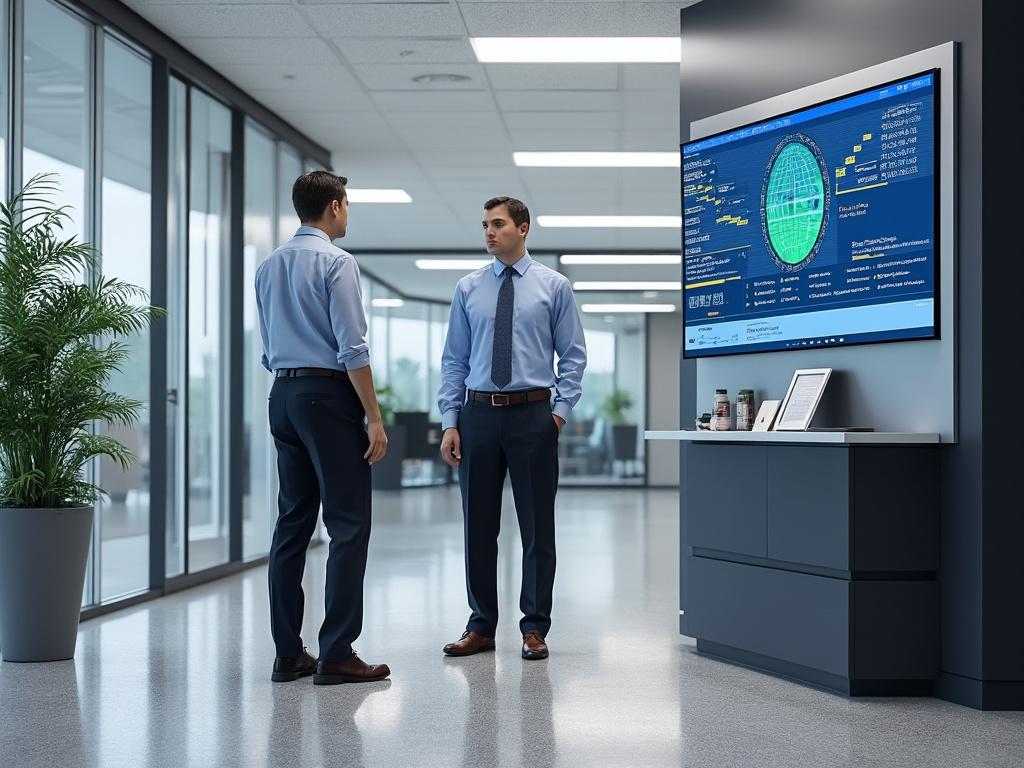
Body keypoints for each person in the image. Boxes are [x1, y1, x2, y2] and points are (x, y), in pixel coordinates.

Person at [255, 170, 390, 685]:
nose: (348, 212)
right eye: (347, 204)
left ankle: (289, 653)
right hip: (327, 395)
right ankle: (336, 653)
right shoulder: (337, 263)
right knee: (349, 524)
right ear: (334, 207)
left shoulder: (269, 267)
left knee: (292, 524)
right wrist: (373, 416)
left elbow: (268, 347)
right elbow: (352, 347)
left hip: (284, 394)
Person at [438, 196, 587, 661]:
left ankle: (535, 626)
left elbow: (574, 355)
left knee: (537, 528)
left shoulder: (554, 286)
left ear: (523, 229)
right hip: (477, 414)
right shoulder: (467, 289)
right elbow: (454, 360)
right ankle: (481, 626)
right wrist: (450, 420)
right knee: (477, 528)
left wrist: (557, 413)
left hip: (532, 414)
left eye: (498, 224)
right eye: (484, 224)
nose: (489, 232)